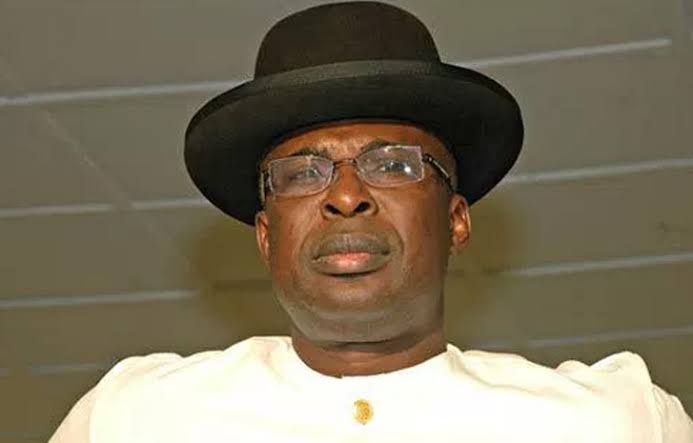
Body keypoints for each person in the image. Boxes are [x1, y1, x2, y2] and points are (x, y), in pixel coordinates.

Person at [50, 2, 692, 442]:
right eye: (302, 173)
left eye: (393, 165)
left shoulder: (613, 421)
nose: (347, 196)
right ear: (266, 236)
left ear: (456, 219)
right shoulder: (135, 418)